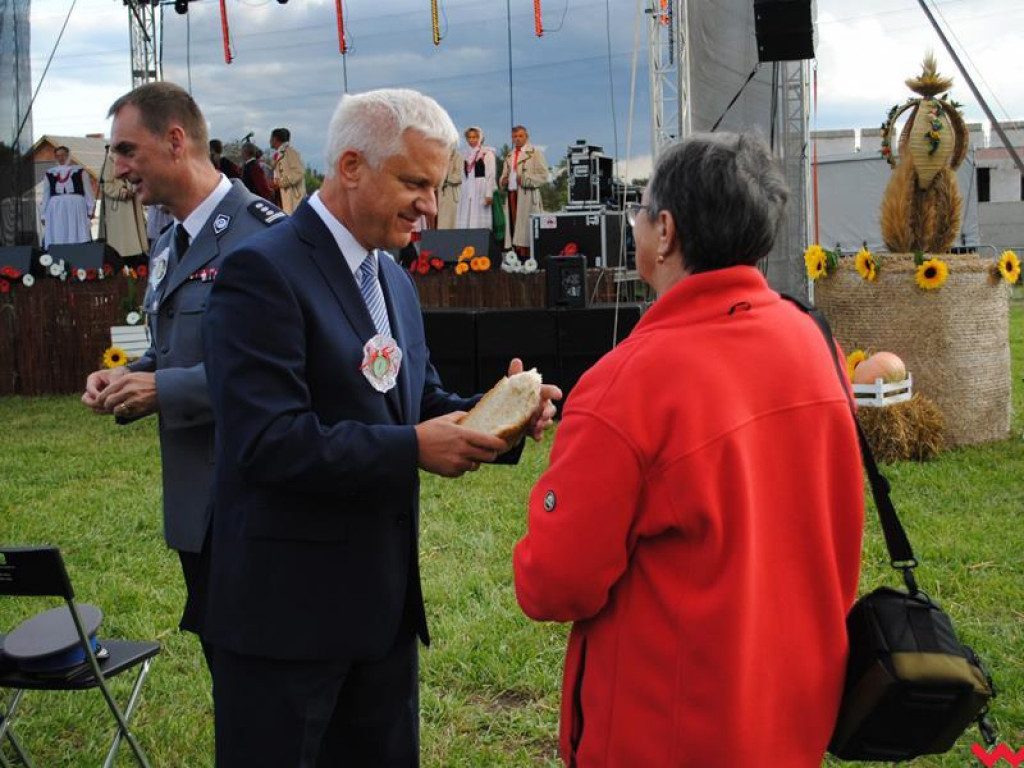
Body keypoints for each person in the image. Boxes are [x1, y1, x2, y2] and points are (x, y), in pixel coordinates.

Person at [200, 87, 560, 767]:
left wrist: (503, 417)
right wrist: (412, 449)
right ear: (352, 166)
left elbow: (414, 401)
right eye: (415, 182)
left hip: (381, 615)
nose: (431, 203)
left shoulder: (392, 279)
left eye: (436, 183)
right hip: (286, 621)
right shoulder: (262, 272)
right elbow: (266, 441)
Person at [513, 133, 864, 766]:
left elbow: (554, 584)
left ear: (665, 232)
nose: (637, 224)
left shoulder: (626, 384)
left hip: (665, 732)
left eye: (642, 210)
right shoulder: (816, 343)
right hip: (794, 714)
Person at [81, 81, 285, 641]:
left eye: (126, 150)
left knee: (265, 680)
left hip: (257, 506)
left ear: (175, 140)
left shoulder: (267, 238)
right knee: (228, 667)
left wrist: (163, 391)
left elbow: (283, 374)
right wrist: (131, 375)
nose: (118, 168)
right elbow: (180, 346)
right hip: (196, 504)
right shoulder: (170, 234)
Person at [499, 125, 548, 258]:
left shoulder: (535, 153)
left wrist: (525, 179)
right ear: (512, 139)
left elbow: (544, 176)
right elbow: (504, 174)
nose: (518, 139)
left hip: (528, 196)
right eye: (515, 136)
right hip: (512, 195)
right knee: (514, 225)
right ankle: (516, 256)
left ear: (526, 137)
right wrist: (503, 180)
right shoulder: (509, 155)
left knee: (527, 228)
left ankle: (530, 256)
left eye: (520, 136)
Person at [41, 145, 95, 247]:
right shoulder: (50, 173)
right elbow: (45, 195)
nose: (61, 158)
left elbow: (88, 192)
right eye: (58, 156)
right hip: (56, 209)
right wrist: (43, 214)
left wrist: (90, 210)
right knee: (59, 232)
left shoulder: (80, 171)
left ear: (68, 156)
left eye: (63, 155)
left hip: (76, 208)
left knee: (77, 232)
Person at [98, 151, 148, 259]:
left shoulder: (133, 153)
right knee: (121, 245)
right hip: (119, 209)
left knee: (135, 244)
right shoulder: (111, 158)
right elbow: (105, 184)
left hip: (133, 203)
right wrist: (121, 193)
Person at [455, 126, 496, 229]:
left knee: (479, 217)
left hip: (481, 188)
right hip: (467, 189)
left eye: (474, 137)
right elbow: (463, 175)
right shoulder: (464, 154)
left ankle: (480, 239)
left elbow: (490, 175)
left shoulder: (487, 153)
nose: (472, 140)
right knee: (466, 215)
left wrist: (489, 194)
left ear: (480, 138)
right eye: (469, 137)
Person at [269, 127, 306, 214]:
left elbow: (299, 173)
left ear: (275, 139)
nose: (269, 141)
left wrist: (279, 183)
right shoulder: (281, 153)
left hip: (292, 199)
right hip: (282, 198)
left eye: (271, 138)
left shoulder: (291, 152)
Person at [436, 145, 461, 229]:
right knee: (442, 223)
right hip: (441, 194)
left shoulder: (458, 157)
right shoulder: (439, 156)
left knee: (451, 223)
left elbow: (459, 176)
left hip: (452, 195)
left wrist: (445, 177)